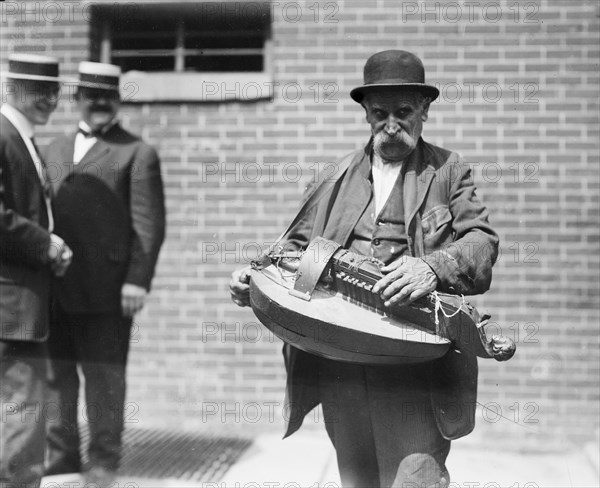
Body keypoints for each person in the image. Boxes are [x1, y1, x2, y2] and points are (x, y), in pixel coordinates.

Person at [230, 50, 499, 488]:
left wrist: (433, 267)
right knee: (357, 481)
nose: (391, 126)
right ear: (365, 113)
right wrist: (252, 279)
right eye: (380, 114)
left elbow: (482, 243)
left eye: (404, 112)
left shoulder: (448, 171)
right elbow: (292, 250)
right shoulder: (334, 176)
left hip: (417, 367)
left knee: (416, 479)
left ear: (425, 110)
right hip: (340, 363)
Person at [43, 61, 166, 485]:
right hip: (54, 291)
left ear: (116, 101)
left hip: (108, 293)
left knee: (104, 382)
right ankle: (60, 463)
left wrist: (137, 279)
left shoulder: (137, 152)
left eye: (107, 96)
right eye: (90, 95)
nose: (98, 103)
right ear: (77, 99)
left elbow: (149, 225)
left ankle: (102, 467)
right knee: (56, 380)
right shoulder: (51, 149)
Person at [1, 53, 72, 488]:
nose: (49, 98)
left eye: (54, 90)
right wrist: (46, 243)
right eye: (37, 89)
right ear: (12, 88)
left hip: (21, 300)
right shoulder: (5, 135)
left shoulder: (21, 137)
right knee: (24, 409)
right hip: (11, 306)